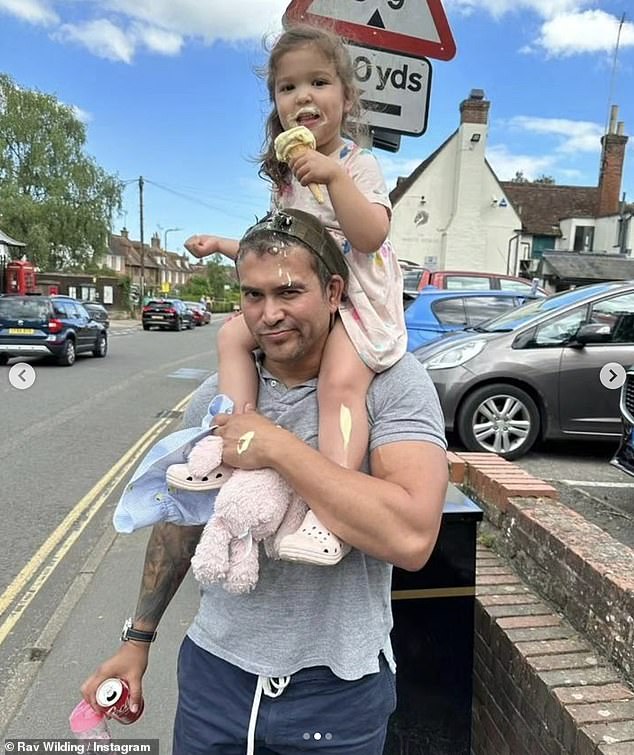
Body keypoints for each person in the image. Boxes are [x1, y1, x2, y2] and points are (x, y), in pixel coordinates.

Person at [81, 209, 448, 754]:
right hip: (215, 676)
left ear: (332, 292)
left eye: (289, 292)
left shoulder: (392, 385)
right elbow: (182, 522)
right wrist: (137, 640)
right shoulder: (219, 393)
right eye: (253, 296)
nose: (269, 314)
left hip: (337, 690)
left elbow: (413, 538)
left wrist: (276, 448)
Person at [185, 24, 407, 566]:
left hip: (358, 302)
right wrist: (224, 245)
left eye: (319, 82)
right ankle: (233, 440)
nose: (303, 96)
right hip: (310, 297)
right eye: (287, 88)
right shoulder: (286, 180)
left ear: (346, 98)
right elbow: (283, 254)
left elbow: (369, 236)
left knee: (339, 384)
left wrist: (334, 178)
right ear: (276, 107)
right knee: (233, 333)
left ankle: (327, 517)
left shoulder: (357, 165)